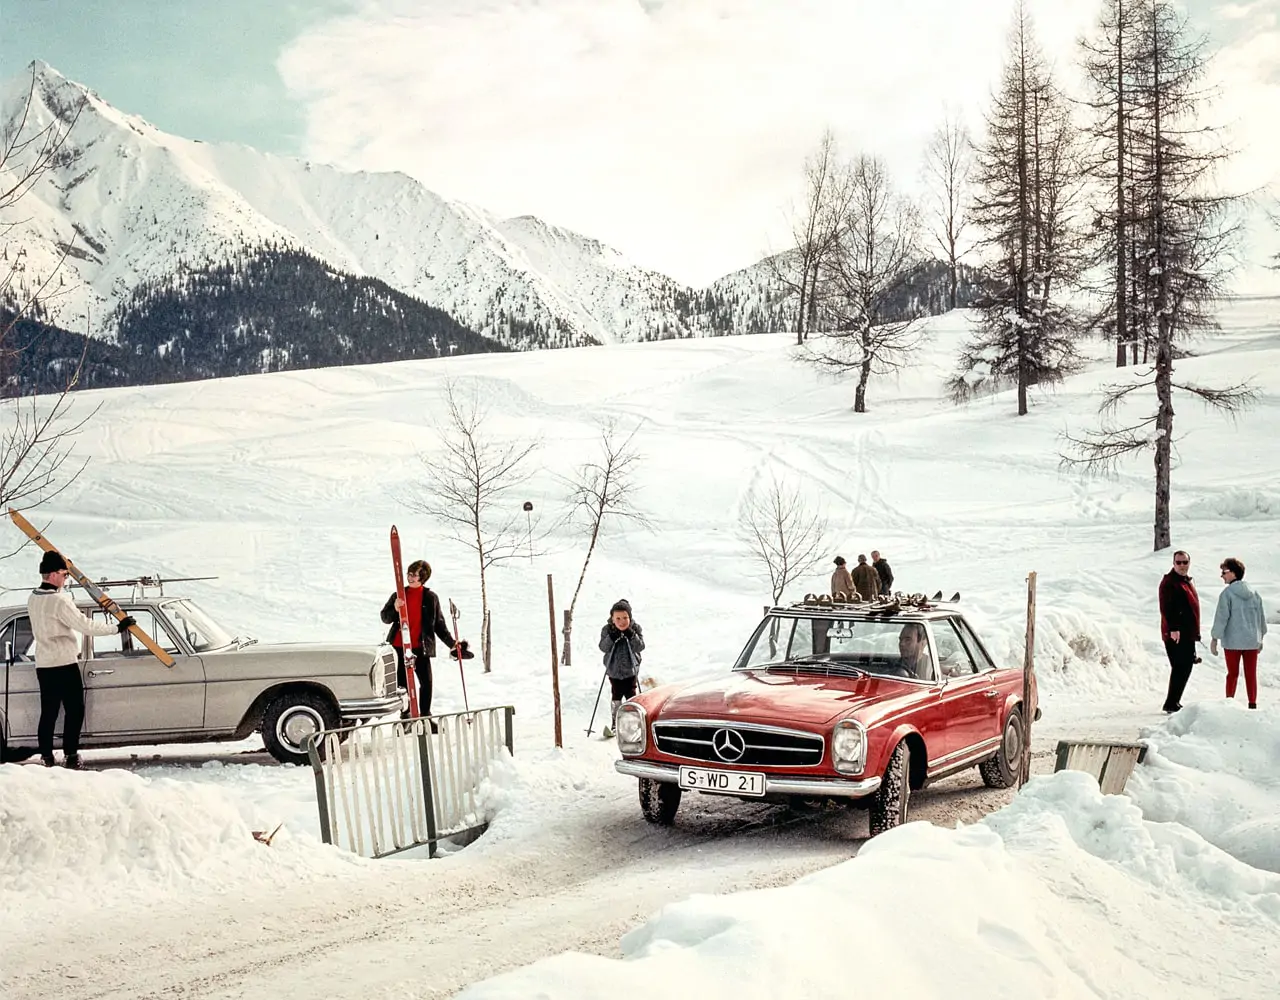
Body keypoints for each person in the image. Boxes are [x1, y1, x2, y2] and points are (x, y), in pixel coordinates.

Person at [27, 550, 136, 769]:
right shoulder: (59, 601)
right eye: (64, 574)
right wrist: (117, 628)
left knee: (48, 712)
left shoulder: (33, 598)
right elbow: (85, 626)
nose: (66, 579)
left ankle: (47, 757)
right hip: (64, 663)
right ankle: (71, 756)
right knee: (75, 710)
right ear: (53, 574)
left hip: (44, 664)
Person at [380, 559, 468, 718]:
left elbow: (439, 625)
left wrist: (452, 644)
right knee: (403, 685)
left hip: (421, 647)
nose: (410, 577)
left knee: (426, 683)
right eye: (409, 574)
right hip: (399, 646)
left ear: (423, 577)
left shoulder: (430, 597)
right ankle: (406, 717)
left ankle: (425, 716)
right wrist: (395, 608)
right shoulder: (399, 595)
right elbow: (385, 618)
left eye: (415, 575)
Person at [1209, 557, 1266, 709]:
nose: (1222, 576)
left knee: (1232, 674)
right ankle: (1252, 704)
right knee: (1251, 674)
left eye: (1224, 572)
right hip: (1252, 641)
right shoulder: (1254, 593)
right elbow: (1261, 618)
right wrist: (1260, 637)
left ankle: (1229, 703)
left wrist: (1215, 637)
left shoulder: (1227, 594)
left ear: (1233, 573)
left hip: (1233, 642)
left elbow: (1222, 618)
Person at [1158, 549, 1200, 713]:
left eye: (1185, 562)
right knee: (1180, 666)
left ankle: (1174, 701)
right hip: (1176, 633)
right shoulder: (1170, 582)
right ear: (1173, 563)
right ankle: (1171, 702)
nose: (1182, 565)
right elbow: (1167, 607)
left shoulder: (1185, 581)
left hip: (1187, 632)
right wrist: (1173, 628)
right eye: (1179, 562)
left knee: (1185, 666)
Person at [599, 598, 644, 738]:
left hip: (631, 670)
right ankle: (615, 723)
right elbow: (603, 647)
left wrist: (631, 634)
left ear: (630, 617)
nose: (622, 621)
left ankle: (634, 723)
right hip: (614, 670)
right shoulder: (607, 630)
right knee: (616, 695)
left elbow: (640, 646)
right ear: (612, 618)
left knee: (631, 695)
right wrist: (612, 637)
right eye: (618, 618)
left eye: (625, 617)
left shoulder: (635, 628)